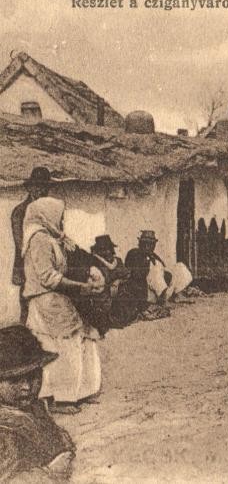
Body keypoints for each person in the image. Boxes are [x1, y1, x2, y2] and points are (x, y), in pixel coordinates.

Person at [21, 197, 102, 414]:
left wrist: (89, 271)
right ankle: (63, 398)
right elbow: (48, 277)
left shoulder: (52, 237)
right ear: (48, 216)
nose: (62, 221)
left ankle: (77, 392)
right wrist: (81, 287)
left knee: (72, 340)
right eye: (60, 217)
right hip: (46, 301)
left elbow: (73, 260)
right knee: (67, 344)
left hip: (53, 299)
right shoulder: (39, 239)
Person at [0, 325, 76, 481]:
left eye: (33, 376)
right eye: (15, 380)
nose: (27, 387)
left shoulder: (35, 409)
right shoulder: (4, 431)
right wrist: (50, 472)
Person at [119, 231, 192, 320]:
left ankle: (177, 294)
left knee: (179, 266)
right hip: (145, 291)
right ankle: (164, 300)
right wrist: (150, 264)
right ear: (140, 243)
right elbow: (137, 274)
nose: (148, 246)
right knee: (155, 269)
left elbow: (164, 269)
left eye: (151, 244)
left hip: (160, 288)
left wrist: (165, 274)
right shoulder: (134, 253)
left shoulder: (153, 255)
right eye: (145, 243)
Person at [11, 167, 51, 324]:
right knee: (27, 301)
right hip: (27, 264)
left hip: (47, 265)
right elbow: (21, 243)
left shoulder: (50, 212)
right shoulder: (20, 211)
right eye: (38, 186)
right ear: (31, 188)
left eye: (45, 187)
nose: (42, 191)